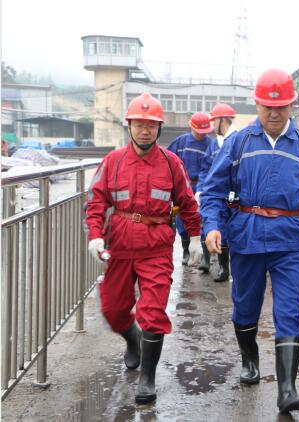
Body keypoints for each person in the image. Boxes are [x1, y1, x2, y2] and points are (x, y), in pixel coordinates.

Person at [199, 69, 299, 413]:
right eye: (268, 107)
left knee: (290, 310)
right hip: (247, 237)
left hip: (290, 240)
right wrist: (213, 226)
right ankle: (250, 358)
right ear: (256, 105)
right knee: (245, 307)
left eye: (281, 106)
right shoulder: (239, 142)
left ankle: (287, 391)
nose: (274, 113)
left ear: (291, 105)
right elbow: (213, 190)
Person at [85, 93, 202, 404]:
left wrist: (196, 237)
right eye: (139, 124)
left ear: (159, 128)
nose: (145, 130)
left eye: (151, 125)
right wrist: (95, 235)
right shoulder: (113, 161)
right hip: (120, 246)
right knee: (113, 309)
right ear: (129, 126)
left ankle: (147, 378)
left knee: (152, 312)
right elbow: (95, 202)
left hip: (156, 249)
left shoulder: (171, 163)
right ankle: (132, 340)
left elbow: (188, 203)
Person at [167, 112, 214, 271]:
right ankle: (186, 251)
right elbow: (168, 160)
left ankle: (204, 256)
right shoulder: (181, 142)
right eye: (199, 131)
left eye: (204, 132)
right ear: (191, 127)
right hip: (182, 186)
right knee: (182, 219)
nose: (201, 135)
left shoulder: (211, 144)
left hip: (202, 186)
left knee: (203, 218)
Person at [197, 103, 238, 280]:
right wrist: (200, 190)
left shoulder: (237, 141)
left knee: (229, 231)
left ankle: (229, 268)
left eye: (214, 121)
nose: (212, 126)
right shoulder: (214, 145)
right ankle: (222, 267)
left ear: (223, 120)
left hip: (232, 197)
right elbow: (205, 169)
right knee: (215, 227)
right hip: (215, 195)